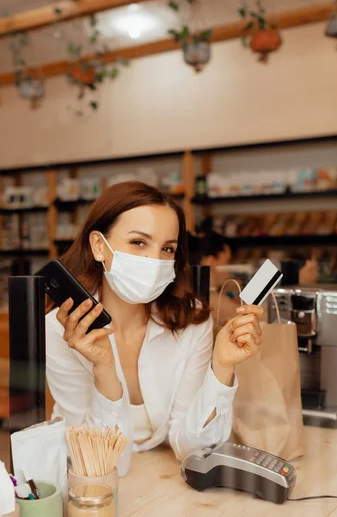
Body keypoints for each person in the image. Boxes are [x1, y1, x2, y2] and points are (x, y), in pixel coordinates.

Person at [46, 182, 263, 475]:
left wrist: (222, 367)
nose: (154, 260)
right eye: (138, 242)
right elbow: (100, 464)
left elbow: (196, 450)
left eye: (167, 248)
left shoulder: (190, 322)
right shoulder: (63, 330)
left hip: (163, 485)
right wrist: (105, 369)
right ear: (99, 246)